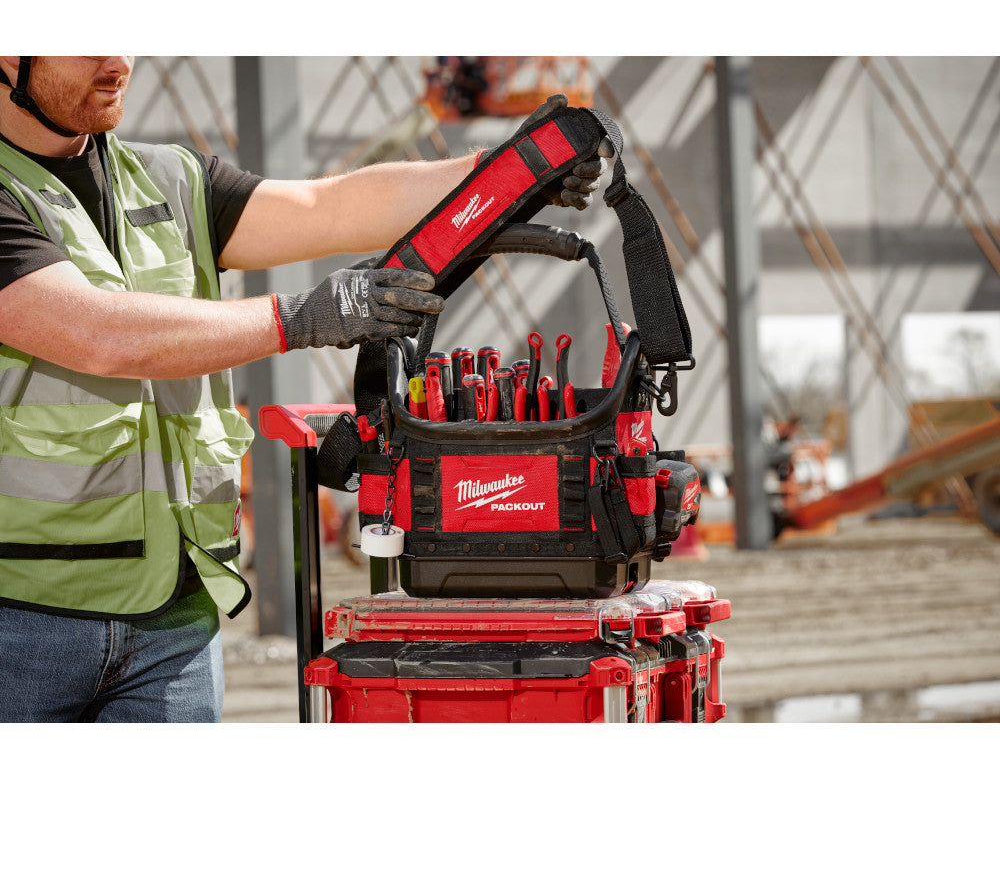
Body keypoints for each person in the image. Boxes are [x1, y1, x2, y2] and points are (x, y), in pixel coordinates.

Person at [0, 55, 612, 723]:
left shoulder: (168, 179)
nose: (119, 60)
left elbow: (331, 206)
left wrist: (508, 174)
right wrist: (302, 317)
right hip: (22, 618)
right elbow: (98, 334)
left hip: (172, 617)